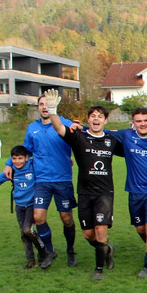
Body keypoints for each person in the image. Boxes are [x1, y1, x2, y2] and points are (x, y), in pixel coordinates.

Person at [45, 94, 120, 280]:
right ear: (88, 119)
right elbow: (60, 128)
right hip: (85, 193)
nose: (96, 119)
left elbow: (135, 144)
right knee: (88, 234)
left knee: (101, 230)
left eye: (100, 116)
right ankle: (107, 250)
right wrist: (53, 111)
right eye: (93, 115)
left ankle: (99, 269)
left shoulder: (112, 140)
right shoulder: (79, 137)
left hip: (104, 194)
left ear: (105, 120)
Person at [9, 93, 78, 269]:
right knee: (38, 218)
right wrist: (9, 164)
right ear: (38, 107)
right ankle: (49, 251)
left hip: (62, 179)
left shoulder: (66, 123)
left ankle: (71, 250)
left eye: (48, 104)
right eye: (41, 104)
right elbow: (25, 152)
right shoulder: (32, 128)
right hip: (41, 181)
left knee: (66, 218)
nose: (45, 107)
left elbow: (78, 141)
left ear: (55, 105)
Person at [110, 107, 147, 277]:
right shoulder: (126, 136)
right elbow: (98, 131)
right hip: (134, 192)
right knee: (140, 229)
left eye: (146, 120)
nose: (142, 124)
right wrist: (77, 127)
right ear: (133, 123)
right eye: (138, 121)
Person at [0, 145, 44, 268]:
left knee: (27, 230)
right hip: (19, 205)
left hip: (32, 204)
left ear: (26, 158)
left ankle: (43, 251)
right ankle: (31, 261)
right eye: (14, 158)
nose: (17, 161)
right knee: (23, 234)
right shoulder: (12, 170)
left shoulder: (33, 167)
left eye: (20, 158)